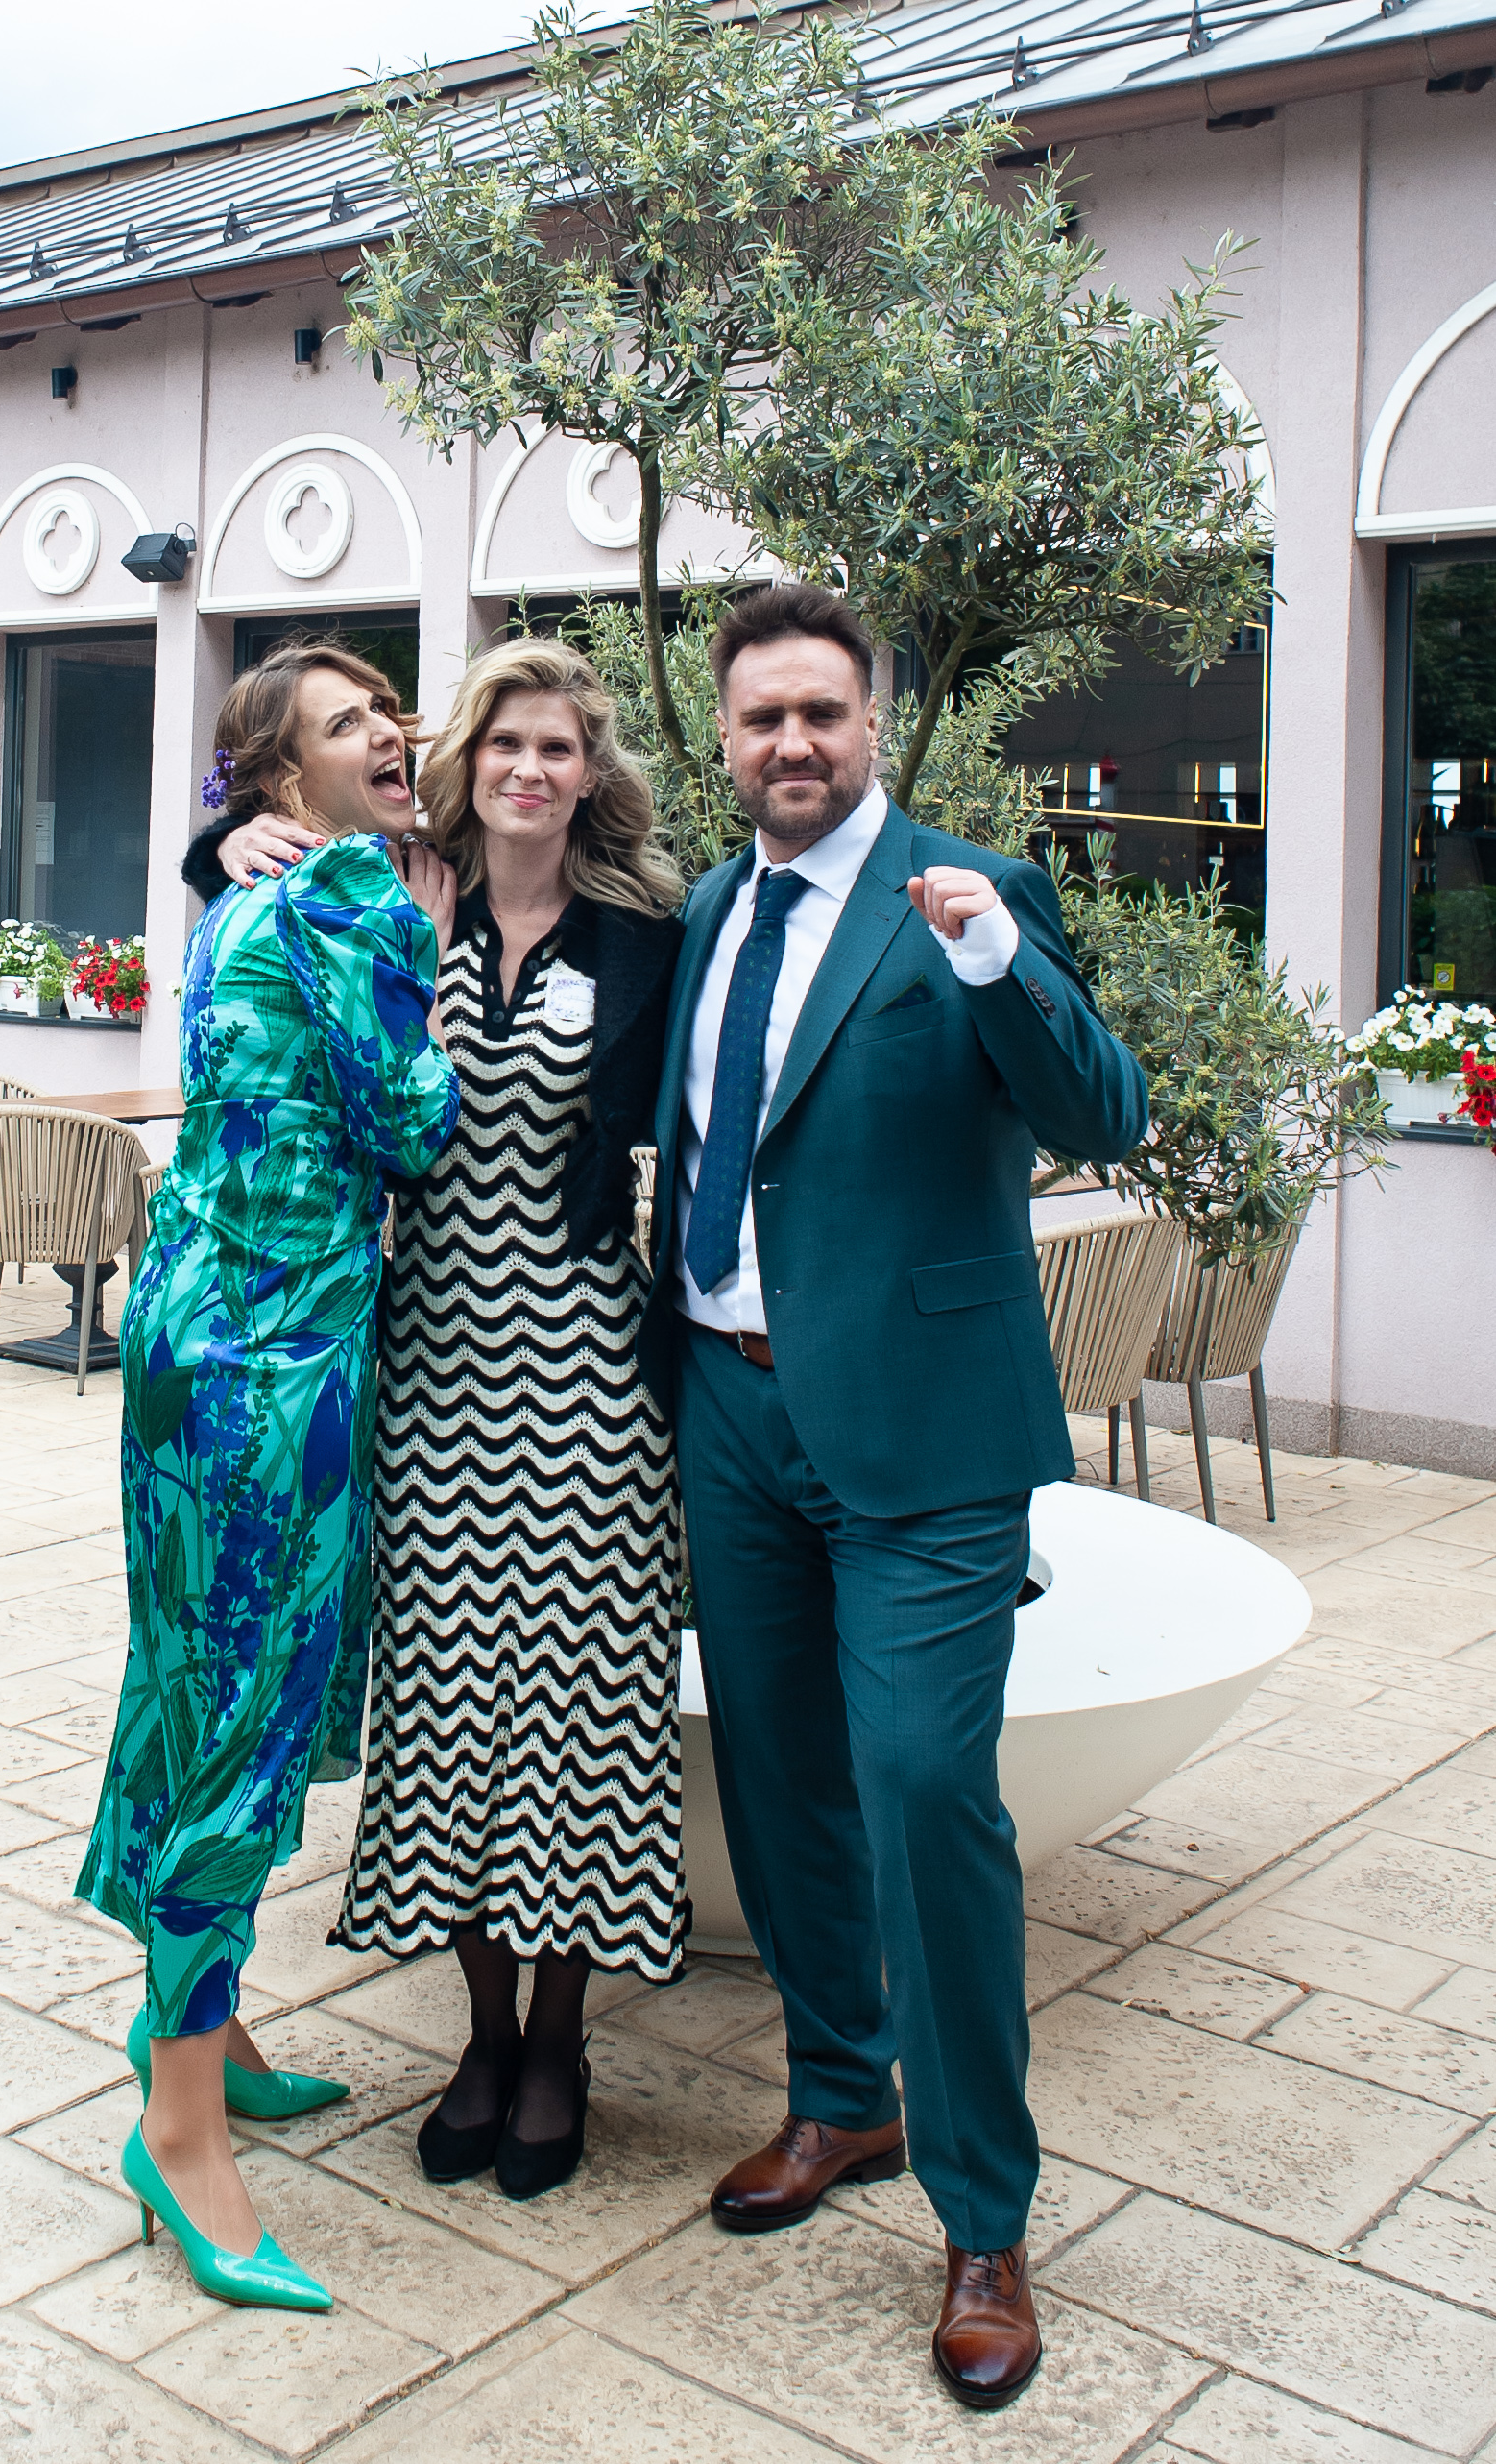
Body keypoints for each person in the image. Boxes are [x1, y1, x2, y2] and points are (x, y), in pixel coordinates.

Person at [636, 585, 1147, 2411]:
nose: (793, 742)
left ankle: (985, 2217)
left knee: (928, 1789)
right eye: (762, 716)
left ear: (874, 720)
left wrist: (1002, 963)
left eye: (823, 713)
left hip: (926, 1435)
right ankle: (842, 2094)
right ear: (725, 737)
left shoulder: (971, 893)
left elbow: (1105, 1112)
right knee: (780, 1776)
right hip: (731, 1406)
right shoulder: (712, 905)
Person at [188, 635, 686, 2202]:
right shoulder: (395, 893)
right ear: (469, 759)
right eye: (506, 743)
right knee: (448, 1707)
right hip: (425, 1365)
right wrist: (215, 843)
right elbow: (260, 912)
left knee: (582, 1712)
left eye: (560, 747)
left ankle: (561, 2043)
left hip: (591, 1370)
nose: (530, 769)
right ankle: (481, 2034)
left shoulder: (645, 933)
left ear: (590, 775)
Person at [77, 642, 460, 2309]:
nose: (386, 732)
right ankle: (179, 2133)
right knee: (244, 1715)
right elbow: (414, 1126)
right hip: (277, 1358)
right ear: (281, 777)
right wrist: (426, 953)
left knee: (180, 1681)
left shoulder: (238, 896)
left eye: (385, 710)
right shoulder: (357, 895)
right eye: (344, 723)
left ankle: (207, 2035)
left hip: (181, 1334)